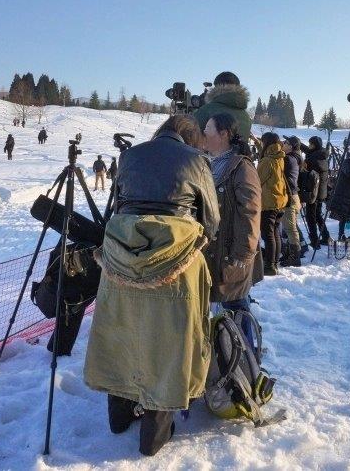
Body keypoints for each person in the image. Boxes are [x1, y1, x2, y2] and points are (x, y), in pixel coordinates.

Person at [83, 114, 219, 457]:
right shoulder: (196, 161)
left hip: (120, 262)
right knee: (168, 344)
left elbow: (115, 206)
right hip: (176, 264)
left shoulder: (130, 156)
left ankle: (119, 416)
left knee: (122, 332)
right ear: (190, 138)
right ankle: (154, 435)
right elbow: (212, 222)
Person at [202, 112, 262, 349]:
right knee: (229, 304)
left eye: (208, 129)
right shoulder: (211, 163)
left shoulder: (241, 166)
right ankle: (227, 356)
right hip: (215, 251)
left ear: (224, 134)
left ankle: (248, 359)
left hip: (231, 254)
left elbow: (251, 210)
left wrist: (245, 252)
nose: (203, 134)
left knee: (235, 305)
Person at [257, 132, 288, 275]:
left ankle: (269, 266)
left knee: (268, 235)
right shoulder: (279, 157)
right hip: (280, 200)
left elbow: (257, 180)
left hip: (269, 202)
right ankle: (274, 263)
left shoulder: (267, 160)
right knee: (275, 233)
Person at [193, 71, 253, 142]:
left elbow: (190, 136)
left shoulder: (206, 110)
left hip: (210, 152)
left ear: (216, 88)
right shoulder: (246, 116)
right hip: (241, 153)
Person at [278, 136, 304, 266]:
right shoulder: (294, 158)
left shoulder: (288, 159)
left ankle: (295, 257)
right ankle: (290, 253)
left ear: (292, 146)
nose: (283, 144)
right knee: (289, 228)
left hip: (289, 196)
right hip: (294, 196)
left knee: (290, 228)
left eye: (286, 143)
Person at [301, 136, 331, 249]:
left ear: (314, 145)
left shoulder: (312, 159)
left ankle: (314, 240)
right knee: (318, 215)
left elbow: (306, 170)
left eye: (310, 144)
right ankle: (326, 236)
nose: (309, 146)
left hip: (314, 193)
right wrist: (301, 145)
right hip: (321, 192)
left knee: (311, 217)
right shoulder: (321, 155)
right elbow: (309, 151)